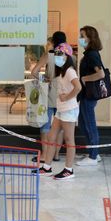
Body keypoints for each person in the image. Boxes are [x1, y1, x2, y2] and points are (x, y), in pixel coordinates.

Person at [36, 43, 82, 180]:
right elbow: (52, 82)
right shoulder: (61, 71)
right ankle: (47, 167)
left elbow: (78, 87)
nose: (57, 58)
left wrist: (66, 97)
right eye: (56, 55)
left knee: (69, 140)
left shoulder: (70, 71)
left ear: (67, 56)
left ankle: (69, 170)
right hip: (61, 110)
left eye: (60, 55)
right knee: (51, 137)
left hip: (69, 109)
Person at [30, 34, 64, 163]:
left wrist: (45, 79)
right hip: (63, 97)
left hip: (49, 95)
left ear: (53, 42)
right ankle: (56, 154)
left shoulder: (48, 55)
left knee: (45, 125)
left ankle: (44, 155)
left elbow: (34, 72)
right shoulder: (71, 57)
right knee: (60, 127)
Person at [76, 26, 105, 166]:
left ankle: (93, 156)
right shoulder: (89, 53)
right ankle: (94, 152)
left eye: (82, 36)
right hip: (85, 94)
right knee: (82, 123)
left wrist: (84, 79)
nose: (80, 38)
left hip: (89, 94)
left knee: (89, 123)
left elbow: (101, 74)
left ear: (90, 38)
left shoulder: (92, 54)